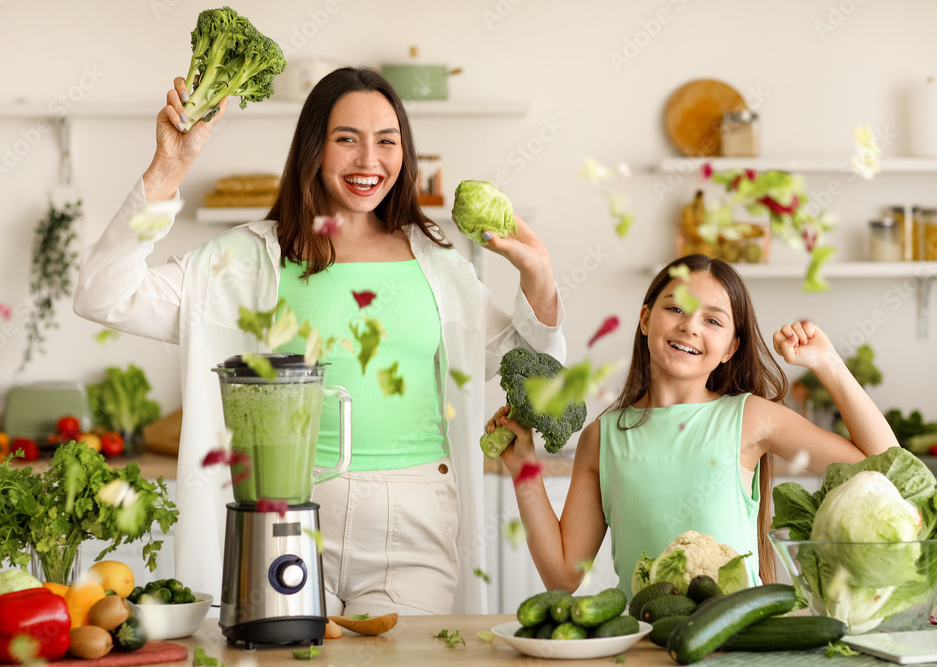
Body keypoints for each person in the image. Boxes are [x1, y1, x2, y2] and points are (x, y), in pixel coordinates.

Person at [73, 67, 567, 616]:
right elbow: (102, 294)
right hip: (283, 510)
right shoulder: (247, 260)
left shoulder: (440, 267)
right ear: (314, 147)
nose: (368, 161)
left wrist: (537, 272)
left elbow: (534, 367)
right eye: (346, 140)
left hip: (413, 516)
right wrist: (170, 165)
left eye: (387, 141)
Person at [489, 253, 899, 598]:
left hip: (740, 646)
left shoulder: (751, 417)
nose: (690, 326)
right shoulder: (603, 436)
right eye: (676, 308)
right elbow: (562, 576)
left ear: (731, 349)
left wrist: (828, 363)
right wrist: (523, 465)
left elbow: (885, 468)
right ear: (646, 319)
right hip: (645, 646)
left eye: (714, 321)